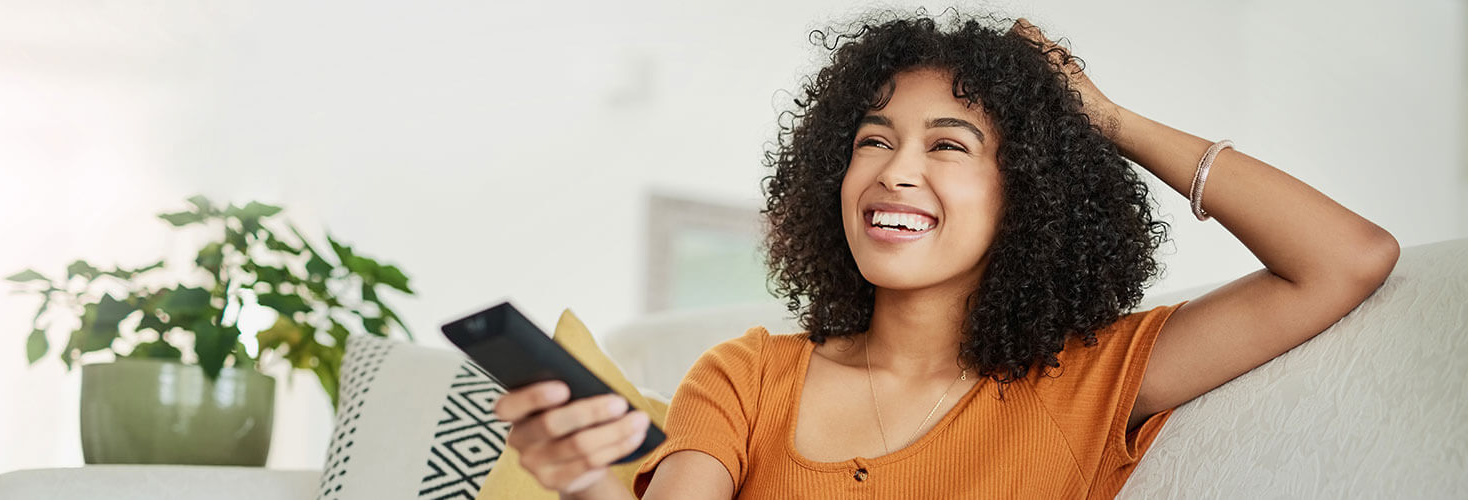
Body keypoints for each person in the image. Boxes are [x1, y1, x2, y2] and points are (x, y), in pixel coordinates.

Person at [492, 10, 1399, 499]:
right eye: (873, 140)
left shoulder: (1088, 382)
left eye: (949, 145)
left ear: (1028, 190)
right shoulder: (745, 377)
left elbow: (1347, 258)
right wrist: (584, 484)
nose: (895, 171)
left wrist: (1107, 119)